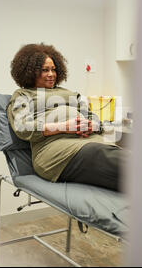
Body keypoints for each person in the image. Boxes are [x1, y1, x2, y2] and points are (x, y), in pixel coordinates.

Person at [7, 43, 124, 192]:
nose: (51, 74)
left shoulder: (71, 94)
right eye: (45, 70)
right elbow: (22, 128)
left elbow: (95, 120)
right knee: (113, 160)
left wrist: (91, 125)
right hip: (56, 153)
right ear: (29, 72)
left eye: (54, 69)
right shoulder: (23, 95)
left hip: (91, 143)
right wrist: (63, 127)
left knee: (122, 157)